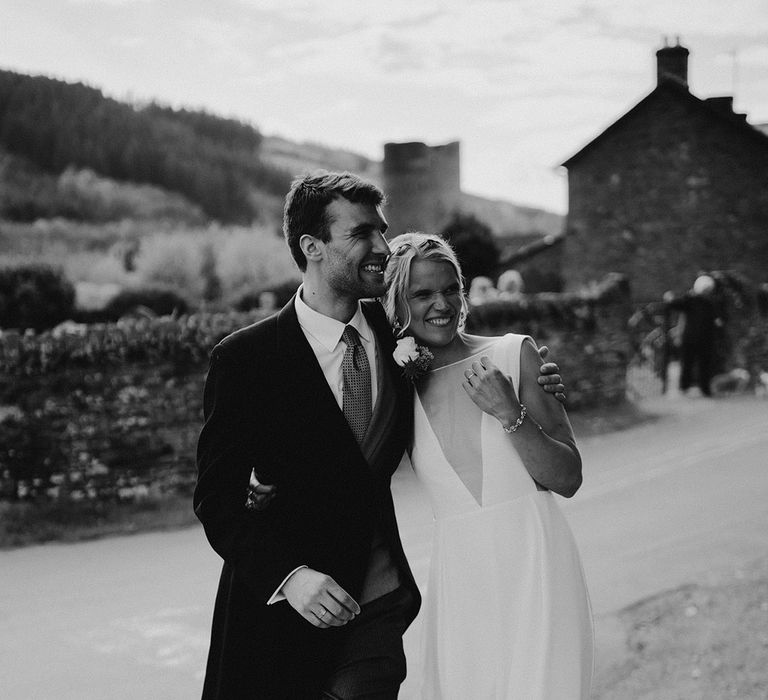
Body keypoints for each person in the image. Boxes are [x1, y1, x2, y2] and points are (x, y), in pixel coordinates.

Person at [195, 171, 566, 699]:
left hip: (377, 603)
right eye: (361, 234)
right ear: (313, 247)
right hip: (278, 612)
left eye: (382, 231)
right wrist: (291, 576)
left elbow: (468, 353)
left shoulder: (403, 336)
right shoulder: (244, 361)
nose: (381, 247)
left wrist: (538, 380)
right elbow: (216, 501)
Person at [383, 232, 594, 699]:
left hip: (536, 567)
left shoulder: (513, 354)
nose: (441, 304)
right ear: (396, 303)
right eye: (422, 294)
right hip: (462, 585)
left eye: (450, 288)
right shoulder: (394, 389)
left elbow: (568, 477)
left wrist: (508, 412)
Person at [664, 274, 723, 397]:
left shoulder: (711, 302)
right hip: (690, 338)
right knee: (687, 363)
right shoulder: (690, 299)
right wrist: (669, 299)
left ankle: (704, 389)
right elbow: (676, 304)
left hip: (705, 339)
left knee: (704, 365)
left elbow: (717, 319)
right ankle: (684, 387)